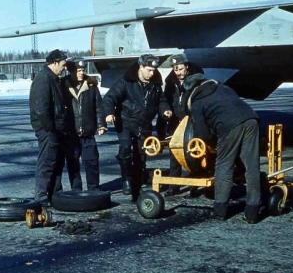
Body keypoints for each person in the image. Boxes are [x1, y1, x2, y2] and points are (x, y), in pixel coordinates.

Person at [182, 73, 263, 223]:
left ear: (191, 89)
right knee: (251, 166)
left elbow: (201, 134)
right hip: (251, 119)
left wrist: (214, 142)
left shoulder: (197, 101)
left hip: (229, 126)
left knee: (224, 166)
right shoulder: (224, 88)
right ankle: (253, 212)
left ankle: (220, 211)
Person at [102, 54, 172, 200]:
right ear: (140, 68)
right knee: (126, 150)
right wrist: (109, 113)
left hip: (144, 125)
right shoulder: (126, 82)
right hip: (126, 122)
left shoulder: (156, 85)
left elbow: (161, 101)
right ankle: (127, 178)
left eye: (153, 70)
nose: (151, 73)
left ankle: (137, 185)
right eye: (149, 70)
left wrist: (165, 109)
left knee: (141, 155)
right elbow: (110, 97)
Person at [29, 49, 74, 207]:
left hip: (56, 129)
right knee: (47, 162)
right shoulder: (43, 80)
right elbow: (41, 108)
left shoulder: (53, 78)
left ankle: (55, 192)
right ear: (54, 63)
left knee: (56, 162)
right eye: (62, 64)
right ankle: (41, 195)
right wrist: (50, 129)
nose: (64, 68)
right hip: (48, 130)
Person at [157, 53, 204, 197]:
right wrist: (165, 110)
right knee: (174, 154)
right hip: (175, 123)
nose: (178, 72)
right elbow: (165, 99)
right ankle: (174, 185)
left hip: (192, 123)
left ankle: (195, 183)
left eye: (181, 69)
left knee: (194, 153)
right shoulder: (171, 83)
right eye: (176, 69)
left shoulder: (197, 80)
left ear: (187, 67)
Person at [63, 57, 107, 191]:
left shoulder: (91, 86)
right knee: (73, 164)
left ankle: (93, 188)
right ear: (70, 71)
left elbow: (98, 106)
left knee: (92, 162)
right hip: (72, 134)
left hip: (88, 133)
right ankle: (76, 190)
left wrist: (101, 124)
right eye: (78, 70)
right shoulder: (63, 87)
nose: (81, 73)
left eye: (82, 70)